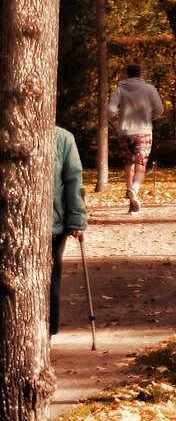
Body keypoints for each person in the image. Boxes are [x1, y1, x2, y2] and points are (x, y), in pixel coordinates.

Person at [107, 62, 165, 213]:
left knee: (128, 166)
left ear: (127, 74)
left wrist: (117, 120)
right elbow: (159, 109)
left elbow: (110, 110)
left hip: (125, 132)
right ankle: (134, 189)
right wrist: (150, 117)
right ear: (141, 74)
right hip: (144, 131)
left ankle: (132, 204)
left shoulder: (120, 90)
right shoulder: (150, 89)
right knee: (141, 165)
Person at [51, 124, 86, 334]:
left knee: (51, 278)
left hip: (52, 225)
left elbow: (74, 180)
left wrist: (77, 220)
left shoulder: (63, 138)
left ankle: (48, 332)